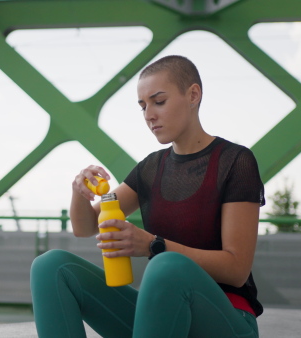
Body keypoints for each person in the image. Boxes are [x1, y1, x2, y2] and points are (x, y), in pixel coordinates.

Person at [30, 55, 265, 337]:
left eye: (159, 101)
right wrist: (79, 191)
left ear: (193, 95)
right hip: (160, 317)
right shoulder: (150, 168)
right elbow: (85, 227)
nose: (149, 115)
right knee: (52, 267)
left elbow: (237, 269)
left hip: (226, 320)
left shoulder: (235, 161)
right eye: (143, 107)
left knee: (167, 265)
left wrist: (154, 246)